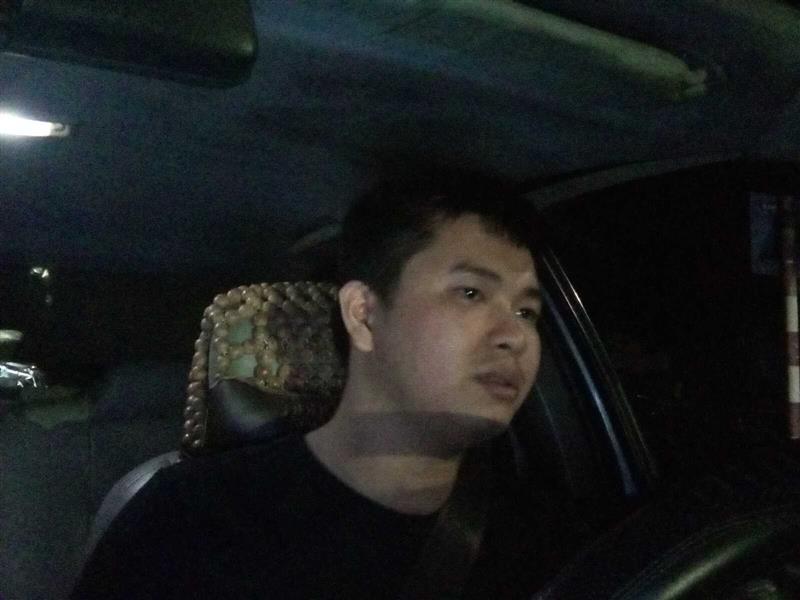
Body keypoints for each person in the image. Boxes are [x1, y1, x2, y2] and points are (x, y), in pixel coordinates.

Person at [71, 173, 580, 599]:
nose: (515, 335)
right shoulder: (190, 520)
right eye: (470, 293)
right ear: (363, 314)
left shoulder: (552, 541)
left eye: (526, 312)